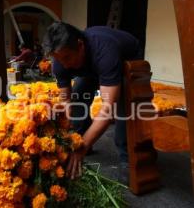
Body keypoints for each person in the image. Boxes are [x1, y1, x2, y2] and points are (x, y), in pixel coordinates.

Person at [42, 22, 142, 181]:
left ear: (80, 46)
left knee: (123, 105)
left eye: (67, 58)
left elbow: (108, 109)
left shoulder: (104, 51)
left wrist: (83, 146)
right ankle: (81, 140)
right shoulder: (60, 60)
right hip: (92, 66)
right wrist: (71, 138)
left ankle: (127, 158)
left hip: (128, 59)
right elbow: (66, 100)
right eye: (60, 60)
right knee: (78, 96)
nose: (65, 65)